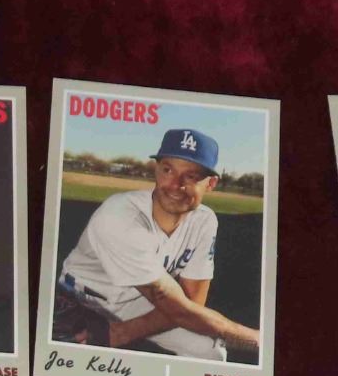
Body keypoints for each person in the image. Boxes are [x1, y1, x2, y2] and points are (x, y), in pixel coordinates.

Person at [53, 128, 259, 360]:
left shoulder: (205, 220)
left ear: (210, 183)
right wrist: (258, 340)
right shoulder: (120, 215)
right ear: (156, 170)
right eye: (168, 170)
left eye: (191, 176)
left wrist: (120, 333)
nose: (175, 184)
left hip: (139, 302)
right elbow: (182, 311)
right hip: (82, 298)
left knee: (211, 351)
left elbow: (192, 303)